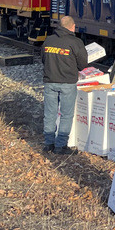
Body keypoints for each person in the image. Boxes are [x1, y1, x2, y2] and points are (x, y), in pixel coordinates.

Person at [42, 15, 89, 155]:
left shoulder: (48, 40)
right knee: (66, 115)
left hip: (50, 81)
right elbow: (83, 64)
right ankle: (61, 146)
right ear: (72, 27)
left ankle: (48, 143)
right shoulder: (75, 42)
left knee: (49, 113)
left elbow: (43, 59)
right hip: (68, 83)